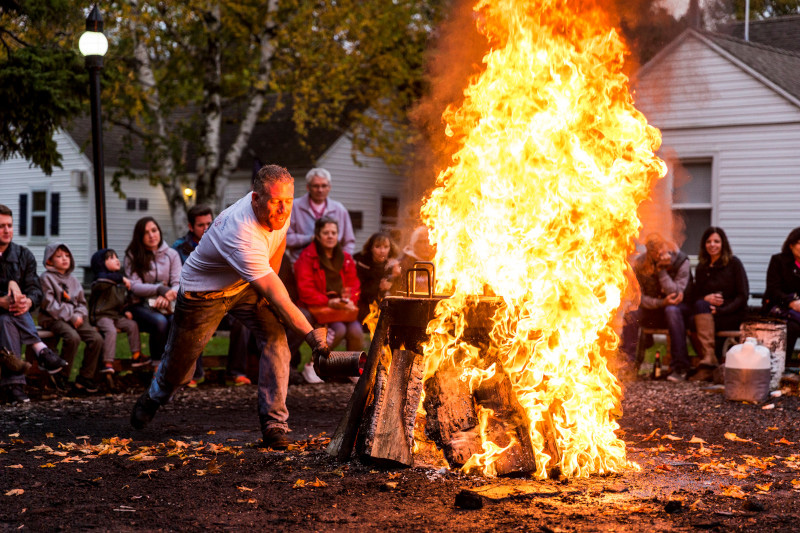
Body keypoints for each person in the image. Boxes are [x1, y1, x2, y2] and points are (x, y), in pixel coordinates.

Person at [129, 164, 329, 450]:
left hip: (245, 285)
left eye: (288, 201)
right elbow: (281, 297)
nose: (283, 209)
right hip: (203, 294)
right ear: (255, 198)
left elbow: (279, 243)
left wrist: (263, 287)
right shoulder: (241, 232)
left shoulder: (281, 210)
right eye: (275, 202)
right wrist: (312, 337)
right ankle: (155, 396)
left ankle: (275, 422)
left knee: (276, 339)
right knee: (180, 371)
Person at [0, 205, 67, 403]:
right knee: (7, 312)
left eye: (10, 225)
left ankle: (14, 386)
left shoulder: (23, 255)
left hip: (11, 316)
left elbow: (36, 290)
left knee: (6, 320)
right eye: (1, 226)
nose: (6, 230)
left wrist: (28, 301)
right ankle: (41, 350)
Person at [619, 233, 692, 382]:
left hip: (677, 309)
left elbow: (676, 294)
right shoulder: (641, 263)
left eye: (660, 248)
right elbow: (637, 297)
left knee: (672, 311)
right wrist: (660, 303)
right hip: (652, 309)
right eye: (652, 250)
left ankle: (680, 367)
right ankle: (628, 364)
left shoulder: (681, 261)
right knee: (631, 314)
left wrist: (662, 271)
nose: (657, 253)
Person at [38, 243, 105, 393]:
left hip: (75, 318)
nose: (64, 259)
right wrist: (71, 316)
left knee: (96, 338)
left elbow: (81, 302)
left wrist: (80, 315)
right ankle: (62, 375)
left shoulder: (73, 280)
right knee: (73, 338)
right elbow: (49, 304)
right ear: (49, 260)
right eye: (59, 256)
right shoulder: (46, 278)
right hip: (52, 318)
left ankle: (85, 378)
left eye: (67, 256)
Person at [688, 227, 749, 381]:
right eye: (708, 241)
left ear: (723, 244)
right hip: (708, 314)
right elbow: (695, 295)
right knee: (694, 315)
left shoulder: (734, 263)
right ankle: (708, 360)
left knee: (698, 317)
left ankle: (709, 364)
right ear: (704, 245)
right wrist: (706, 298)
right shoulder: (702, 267)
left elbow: (743, 296)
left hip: (731, 313)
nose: (712, 245)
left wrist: (722, 310)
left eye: (716, 241)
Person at [295, 217, 362, 354]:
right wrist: (329, 302)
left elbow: (354, 285)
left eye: (334, 233)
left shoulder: (346, 258)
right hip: (319, 308)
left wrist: (350, 301)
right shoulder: (307, 257)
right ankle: (315, 363)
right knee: (339, 330)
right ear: (318, 236)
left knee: (356, 332)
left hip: (342, 308)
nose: (330, 236)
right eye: (326, 233)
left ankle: (351, 369)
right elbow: (305, 290)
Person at [124, 217, 182, 368]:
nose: (151, 235)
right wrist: (159, 289)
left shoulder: (171, 254)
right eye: (146, 233)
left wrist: (168, 295)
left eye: (154, 230)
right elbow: (134, 286)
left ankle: (173, 366)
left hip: (166, 303)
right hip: (139, 305)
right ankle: (158, 367)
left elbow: (178, 283)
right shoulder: (132, 256)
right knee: (160, 322)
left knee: (174, 320)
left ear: (159, 231)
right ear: (139, 236)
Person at [89, 248, 145, 374]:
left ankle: (137, 355)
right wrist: (122, 278)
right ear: (101, 263)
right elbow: (104, 280)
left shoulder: (118, 283)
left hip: (115, 316)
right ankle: (108, 362)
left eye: (116, 257)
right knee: (111, 331)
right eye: (111, 258)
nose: (117, 260)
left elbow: (121, 301)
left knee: (132, 325)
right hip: (101, 316)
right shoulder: (100, 280)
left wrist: (125, 311)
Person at [285, 168, 355, 265]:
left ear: (329, 187)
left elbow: (349, 242)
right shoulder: (294, 207)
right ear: (308, 187)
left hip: (332, 267)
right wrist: (310, 238)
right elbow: (285, 239)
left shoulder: (339, 209)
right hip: (301, 266)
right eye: (316, 186)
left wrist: (342, 261)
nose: (320, 190)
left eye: (324, 186)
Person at [764, 226, 800, 361]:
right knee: (792, 328)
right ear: (791, 245)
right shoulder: (778, 261)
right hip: (781, 308)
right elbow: (773, 290)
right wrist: (791, 303)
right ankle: (783, 365)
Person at [353, 232, 400, 323]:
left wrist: (396, 277)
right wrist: (379, 286)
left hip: (384, 307)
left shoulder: (393, 265)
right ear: (370, 248)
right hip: (363, 307)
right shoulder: (361, 263)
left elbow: (398, 292)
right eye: (378, 247)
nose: (382, 251)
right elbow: (360, 291)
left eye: (386, 247)